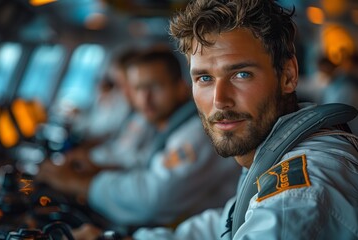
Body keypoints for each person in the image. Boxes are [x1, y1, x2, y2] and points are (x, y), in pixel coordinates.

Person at [71, 0, 358, 239]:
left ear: (288, 75)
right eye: (205, 78)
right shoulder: (272, 155)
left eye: (241, 74)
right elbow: (221, 226)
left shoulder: (301, 192)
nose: (220, 100)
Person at [36, 47, 241, 229]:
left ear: (181, 88)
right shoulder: (164, 124)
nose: (145, 99)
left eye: (155, 87)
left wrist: (77, 183)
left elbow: (153, 198)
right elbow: (144, 167)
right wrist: (99, 169)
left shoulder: (198, 133)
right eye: (138, 89)